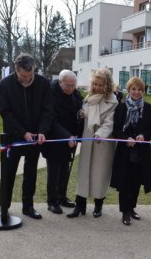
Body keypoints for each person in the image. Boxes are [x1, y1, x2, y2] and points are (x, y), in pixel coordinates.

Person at [0, 53, 53, 221]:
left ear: (34, 70)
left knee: (31, 174)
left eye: (30, 76)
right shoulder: (4, 85)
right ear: (16, 70)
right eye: (23, 76)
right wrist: (22, 132)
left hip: (35, 137)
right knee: (8, 174)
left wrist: (42, 130)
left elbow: (48, 110)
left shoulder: (43, 84)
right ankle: (4, 208)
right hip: (13, 137)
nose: (27, 80)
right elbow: (6, 112)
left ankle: (28, 207)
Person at [67, 68, 118, 218]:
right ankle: (79, 206)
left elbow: (110, 123)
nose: (97, 87)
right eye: (95, 84)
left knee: (99, 174)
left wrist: (101, 134)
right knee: (83, 173)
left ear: (107, 85)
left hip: (102, 144)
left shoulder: (113, 101)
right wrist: (81, 114)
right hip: (88, 141)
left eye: (100, 84)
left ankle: (98, 205)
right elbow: (84, 115)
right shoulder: (88, 98)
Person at [111, 77, 151, 225]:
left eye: (139, 89)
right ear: (128, 90)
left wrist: (144, 135)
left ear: (143, 91)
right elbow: (116, 130)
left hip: (141, 152)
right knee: (124, 181)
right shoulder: (121, 108)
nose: (136, 92)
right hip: (124, 152)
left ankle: (132, 208)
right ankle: (124, 211)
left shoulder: (149, 109)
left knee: (137, 181)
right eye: (133, 89)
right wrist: (126, 138)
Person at [42, 70, 83, 214]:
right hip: (55, 139)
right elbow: (53, 121)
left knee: (65, 171)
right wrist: (67, 136)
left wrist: (81, 115)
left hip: (70, 141)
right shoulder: (51, 95)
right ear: (60, 83)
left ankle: (62, 197)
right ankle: (52, 202)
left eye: (73, 85)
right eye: (68, 85)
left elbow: (80, 109)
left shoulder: (75, 94)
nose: (71, 88)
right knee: (54, 173)